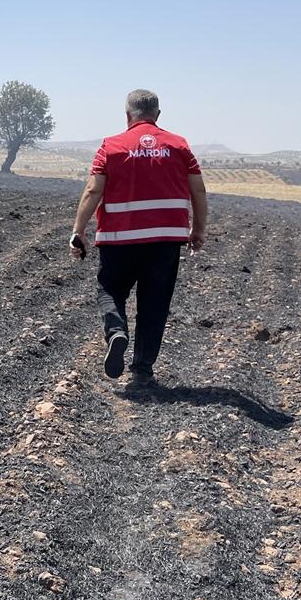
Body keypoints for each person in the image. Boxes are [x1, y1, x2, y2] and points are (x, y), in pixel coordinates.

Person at [68, 89, 208, 391]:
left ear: (127, 115)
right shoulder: (179, 145)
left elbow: (93, 190)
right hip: (166, 240)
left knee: (110, 289)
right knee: (154, 303)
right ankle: (142, 370)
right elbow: (198, 190)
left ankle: (116, 330)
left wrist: (78, 230)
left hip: (119, 239)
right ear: (157, 115)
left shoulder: (112, 147)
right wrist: (198, 229)